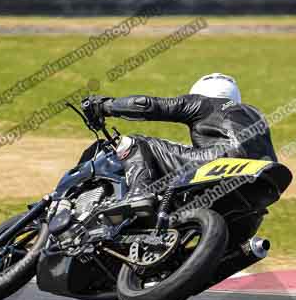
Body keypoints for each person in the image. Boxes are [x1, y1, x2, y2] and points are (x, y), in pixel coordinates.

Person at [82, 73, 277, 206]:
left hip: (222, 161)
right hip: (262, 180)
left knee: (135, 143)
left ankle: (138, 194)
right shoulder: (255, 113)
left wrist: (105, 106)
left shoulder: (204, 102)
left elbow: (148, 105)